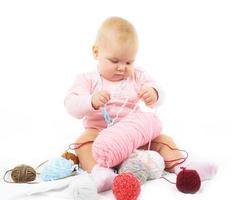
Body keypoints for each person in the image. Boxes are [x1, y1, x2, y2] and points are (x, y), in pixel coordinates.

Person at [64, 16, 217, 193]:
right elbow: (71, 104)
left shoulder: (136, 76)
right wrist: (90, 101)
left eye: (128, 62)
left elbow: (159, 92)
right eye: (114, 61)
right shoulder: (87, 80)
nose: (122, 67)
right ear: (96, 52)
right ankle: (101, 173)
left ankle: (184, 167)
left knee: (163, 140)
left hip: (133, 136)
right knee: (82, 143)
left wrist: (153, 93)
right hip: (100, 135)